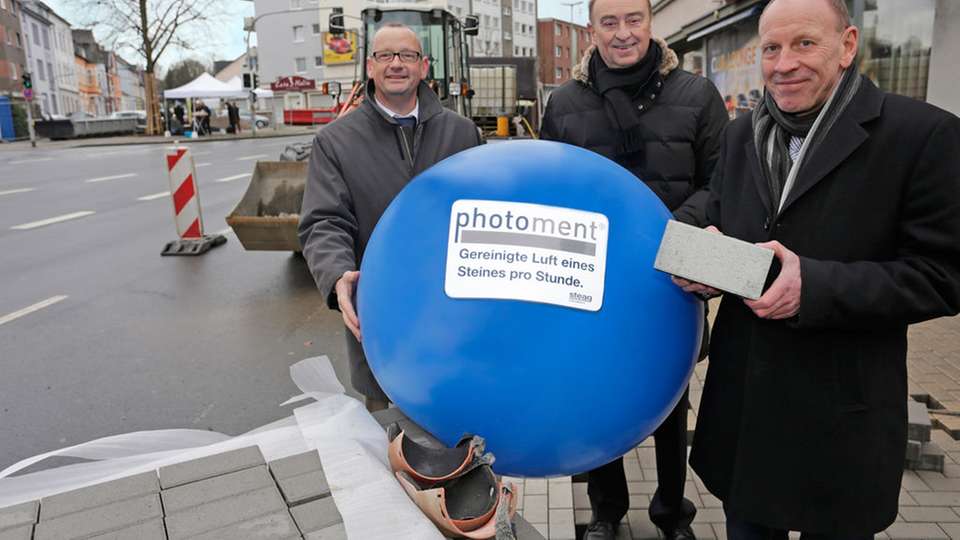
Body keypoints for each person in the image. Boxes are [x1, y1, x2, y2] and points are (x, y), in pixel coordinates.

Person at [673, 0, 960, 537]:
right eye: (771, 49)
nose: (784, 64)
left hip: (840, 424)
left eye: (805, 43)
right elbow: (716, 206)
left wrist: (816, 286)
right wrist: (696, 247)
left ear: (847, 45)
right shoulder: (742, 135)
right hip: (747, 423)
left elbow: (943, 275)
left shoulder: (922, 135)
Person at [539, 0, 728, 538]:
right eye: (609, 22)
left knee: (671, 398)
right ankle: (606, 511)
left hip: (676, 272)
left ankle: (672, 512)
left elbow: (721, 184)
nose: (623, 34)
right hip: (592, 278)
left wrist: (659, 231)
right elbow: (555, 194)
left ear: (650, 22)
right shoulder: (566, 103)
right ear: (591, 30)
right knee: (597, 393)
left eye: (634, 19)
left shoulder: (697, 96)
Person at [298, 23, 482, 413]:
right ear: (370, 67)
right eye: (386, 56)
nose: (396, 64)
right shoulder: (335, 142)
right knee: (389, 446)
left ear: (424, 66)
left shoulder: (464, 135)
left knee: (466, 438)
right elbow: (324, 222)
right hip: (383, 318)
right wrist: (336, 274)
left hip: (458, 320)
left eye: (408, 56)